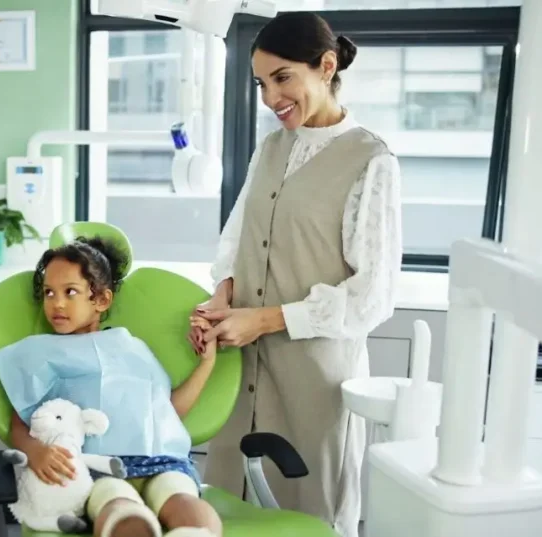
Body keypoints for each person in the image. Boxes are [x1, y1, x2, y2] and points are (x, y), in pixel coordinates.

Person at [188, 12, 403, 537]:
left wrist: (264, 319)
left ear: (326, 66)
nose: (270, 98)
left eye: (283, 77)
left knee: (305, 512)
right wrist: (222, 296)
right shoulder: (270, 148)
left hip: (315, 380)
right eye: (261, 83)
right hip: (242, 375)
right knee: (223, 510)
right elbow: (238, 241)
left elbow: (372, 295)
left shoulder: (370, 160)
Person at [0, 237, 223, 537]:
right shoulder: (40, 354)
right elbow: (18, 423)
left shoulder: (133, 349)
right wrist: (35, 451)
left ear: (101, 300)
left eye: (70, 292)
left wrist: (207, 363)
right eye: (49, 293)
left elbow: (168, 411)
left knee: (183, 501)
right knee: (120, 507)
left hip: (160, 461)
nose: (56, 303)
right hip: (97, 470)